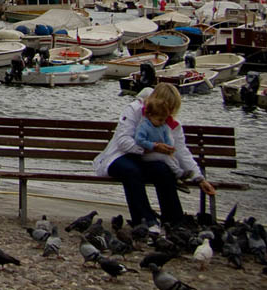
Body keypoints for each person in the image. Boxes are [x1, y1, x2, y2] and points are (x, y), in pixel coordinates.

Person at [92, 83, 216, 229]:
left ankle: (174, 221)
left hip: (145, 160)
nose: (168, 114)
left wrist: (198, 177)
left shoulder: (170, 123)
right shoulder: (134, 110)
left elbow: (181, 150)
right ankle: (145, 220)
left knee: (162, 170)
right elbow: (123, 141)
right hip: (120, 156)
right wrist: (151, 148)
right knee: (131, 170)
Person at [134, 93, 192, 179]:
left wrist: (169, 148)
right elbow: (139, 140)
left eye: (164, 119)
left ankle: (178, 175)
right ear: (150, 115)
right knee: (165, 158)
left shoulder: (163, 126)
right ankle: (178, 173)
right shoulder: (144, 126)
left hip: (159, 151)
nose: (162, 122)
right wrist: (153, 145)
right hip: (146, 154)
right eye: (160, 119)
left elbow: (166, 138)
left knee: (173, 159)